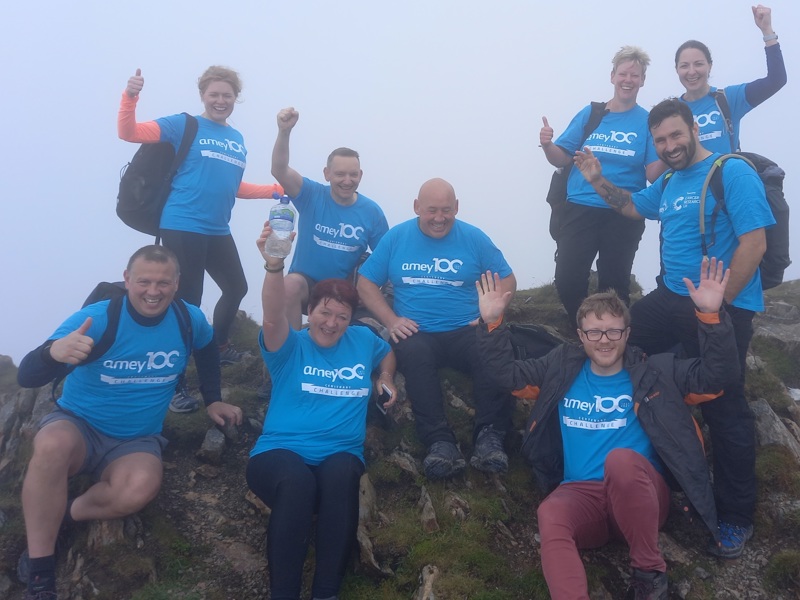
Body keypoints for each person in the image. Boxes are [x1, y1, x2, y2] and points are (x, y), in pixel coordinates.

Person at [574, 98, 775, 558]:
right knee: (620, 349)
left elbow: (754, 243)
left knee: (725, 404)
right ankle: (652, 466)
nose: (669, 145)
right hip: (670, 299)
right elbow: (630, 207)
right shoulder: (667, 181)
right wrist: (596, 179)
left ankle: (735, 515)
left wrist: (717, 310)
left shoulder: (731, 172)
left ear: (693, 130)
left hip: (721, 304)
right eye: (660, 139)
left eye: (675, 135)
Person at [475, 258, 739, 600]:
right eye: (594, 332)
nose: (604, 340)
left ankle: (649, 574)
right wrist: (493, 321)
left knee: (621, 461)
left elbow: (717, 378)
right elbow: (505, 375)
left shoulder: (656, 371)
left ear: (627, 334)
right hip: (582, 496)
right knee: (550, 512)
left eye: (613, 331)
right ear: (580, 335)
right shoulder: (559, 367)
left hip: (641, 495)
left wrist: (711, 316)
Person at [16, 245, 243, 600]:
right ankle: (41, 574)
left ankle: (61, 516)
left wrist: (212, 398)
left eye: (163, 283)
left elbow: (207, 348)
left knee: (138, 490)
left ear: (177, 283)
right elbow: (27, 376)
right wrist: (52, 352)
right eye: (144, 282)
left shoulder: (188, 318)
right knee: (51, 445)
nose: (153, 291)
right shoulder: (98, 319)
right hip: (79, 425)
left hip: (135, 440)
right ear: (127, 280)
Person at [118, 66, 284, 412]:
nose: (220, 101)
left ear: (235, 98)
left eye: (227, 95)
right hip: (181, 225)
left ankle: (219, 347)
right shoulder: (184, 125)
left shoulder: (236, 139)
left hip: (216, 229)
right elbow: (129, 132)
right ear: (203, 96)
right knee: (185, 304)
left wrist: (272, 190)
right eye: (214, 94)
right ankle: (175, 385)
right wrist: (130, 96)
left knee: (236, 287)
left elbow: (230, 186)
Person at [246, 222, 396, 600]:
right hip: (278, 456)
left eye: (342, 317)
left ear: (351, 319)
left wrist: (387, 378)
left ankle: (326, 592)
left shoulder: (362, 339)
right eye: (324, 313)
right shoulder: (288, 346)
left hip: (339, 453)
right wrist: (274, 267)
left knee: (343, 474)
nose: (332, 323)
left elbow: (386, 352)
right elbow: (272, 315)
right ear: (309, 310)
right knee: (298, 482)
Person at [357, 178, 516, 479]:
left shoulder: (473, 238)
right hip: (417, 331)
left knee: (490, 350)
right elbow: (365, 283)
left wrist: (492, 312)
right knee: (415, 356)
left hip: (465, 327)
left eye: (446, 210)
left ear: (457, 208)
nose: (439, 218)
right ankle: (439, 443)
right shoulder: (396, 238)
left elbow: (507, 279)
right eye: (431, 210)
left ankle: (489, 437)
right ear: (417, 207)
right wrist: (391, 321)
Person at [540, 46, 664, 329]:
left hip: (622, 210)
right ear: (612, 76)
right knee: (568, 278)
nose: (628, 79)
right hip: (580, 206)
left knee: (615, 284)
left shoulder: (647, 121)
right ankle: (585, 330)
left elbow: (653, 173)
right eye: (623, 73)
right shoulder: (592, 113)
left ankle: (615, 337)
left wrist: (675, 152)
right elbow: (561, 156)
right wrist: (547, 144)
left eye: (635, 75)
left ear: (643, 80)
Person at [270, 107, 389, 330]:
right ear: (327, 174)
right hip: (306, 285)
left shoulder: (372, 212)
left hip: (343, 292)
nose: (347, 180)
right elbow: (279, 169)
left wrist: (372, 287)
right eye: (340, 174)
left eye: (353, 174)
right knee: (289, 286)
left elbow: (388, 257)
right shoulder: (311, 195)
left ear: (360, 175)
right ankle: (291, 353)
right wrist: (284, 131)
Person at [675, 4, 786, 154]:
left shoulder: (729, 99)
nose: (691, 71)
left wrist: (767, 30)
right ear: (677, 70)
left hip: (725, 177)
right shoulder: (672, 110)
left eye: (698, 64)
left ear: (710, 66)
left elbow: (776, 80)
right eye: (684, 66)